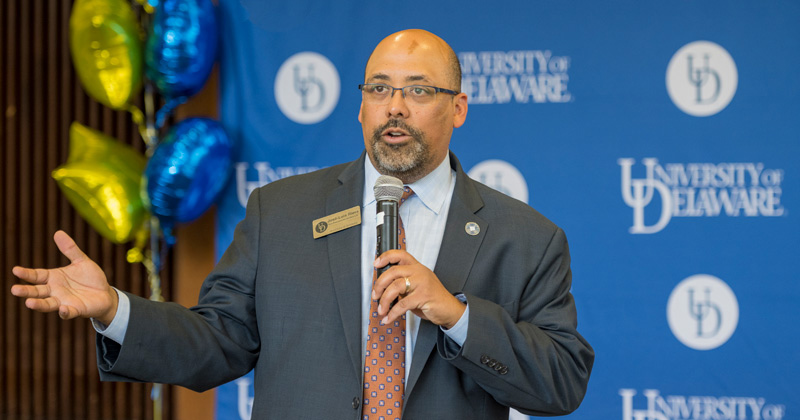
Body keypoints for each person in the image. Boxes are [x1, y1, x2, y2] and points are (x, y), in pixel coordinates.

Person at [11, 29, 593, 419]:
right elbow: (219, 342)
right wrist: (116, 310)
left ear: (458, 108)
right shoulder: (281, 212)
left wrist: (457, 314)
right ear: (361, 105)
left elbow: (561, 381)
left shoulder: (526, 238)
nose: (396, 107)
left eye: (419, 91)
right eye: (380, 89)